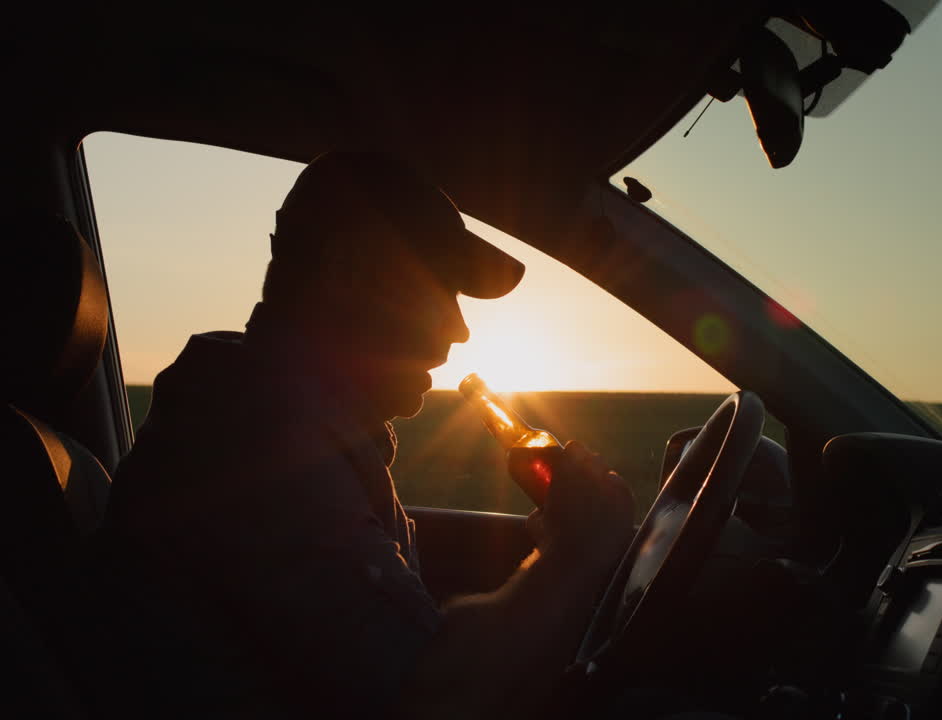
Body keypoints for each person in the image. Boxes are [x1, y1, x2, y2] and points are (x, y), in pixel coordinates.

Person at [100, 151, 636, 718]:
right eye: (441, 290)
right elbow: (428, 698)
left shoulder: (270, 414)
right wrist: (576, 553)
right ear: (350, 276)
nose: (459, 328)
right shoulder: (258, 451)